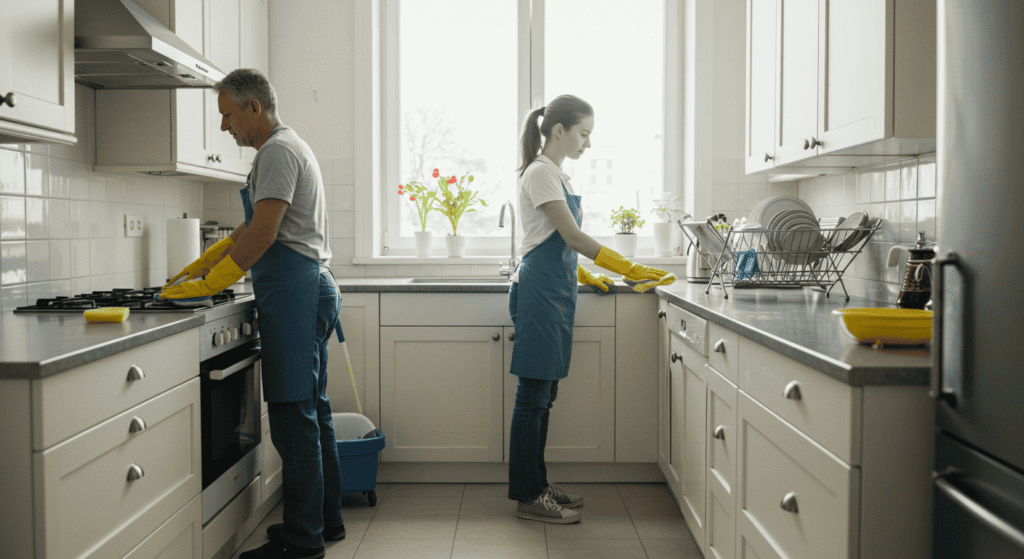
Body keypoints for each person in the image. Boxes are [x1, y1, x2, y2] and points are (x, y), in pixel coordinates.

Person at [162, 68, 343, 559]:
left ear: (254, 108)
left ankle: (304, 540)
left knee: (291, 416)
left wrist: (208, 286)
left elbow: (263, 237)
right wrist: (196, 270)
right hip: (301, 292)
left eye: (227, 115)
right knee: (310, 411)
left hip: (297, 294)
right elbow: (247, 229)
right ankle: (324, 522)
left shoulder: (278, 152)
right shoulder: (281, 150)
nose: (224, 128)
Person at [507, 94, 676, 524]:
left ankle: (540, 485)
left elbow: (552, 240)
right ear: (558, 131)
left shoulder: (555, 174)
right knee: (533, 397)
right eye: (584, 133)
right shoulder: (541, 173)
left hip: (554, 291)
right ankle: (528, 496)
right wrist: (629, 267)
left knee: (545, 396)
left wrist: (582, 276)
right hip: (540, 294)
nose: (588, 143)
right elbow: (573, 237)